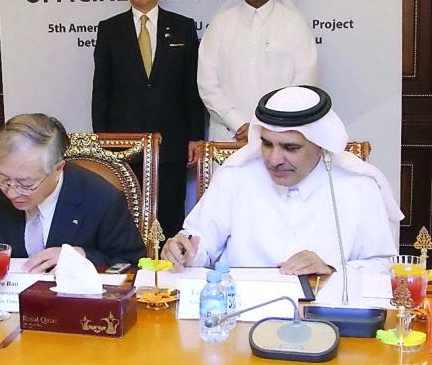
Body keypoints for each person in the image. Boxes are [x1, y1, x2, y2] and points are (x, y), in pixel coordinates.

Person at [162, 85, 401, 275]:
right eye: (267, 144)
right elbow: (199, 245)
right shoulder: (235, 176)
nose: (274, 159)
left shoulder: (358, 186)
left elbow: (383, 266)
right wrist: (184, 251)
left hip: (327, 319)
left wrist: (331, 269)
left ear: (320, 146)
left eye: (290, 147)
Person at [0, 113, 145, 273]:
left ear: (57, 168)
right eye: (4, 180)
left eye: (26, 184)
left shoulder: (102, 198)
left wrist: (80, 256)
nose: (12, 192)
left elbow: (133, 262)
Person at [91, 0, 202, 239]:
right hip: (123, 144)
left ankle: (169, 276)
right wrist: (102, 138)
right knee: (125, 217)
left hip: (172, 141)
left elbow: (192, 87)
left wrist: (195, 136)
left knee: (170, 218)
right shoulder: (109, 29)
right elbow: (101, 88)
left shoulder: (183, 28)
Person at [197, 0, 318, 142]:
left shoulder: (294, 23)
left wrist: (267, 126)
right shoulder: (220, 24)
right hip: (229, 138)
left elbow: (304, 82)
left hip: (280, 135)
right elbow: (207, 84)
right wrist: (238, 124)